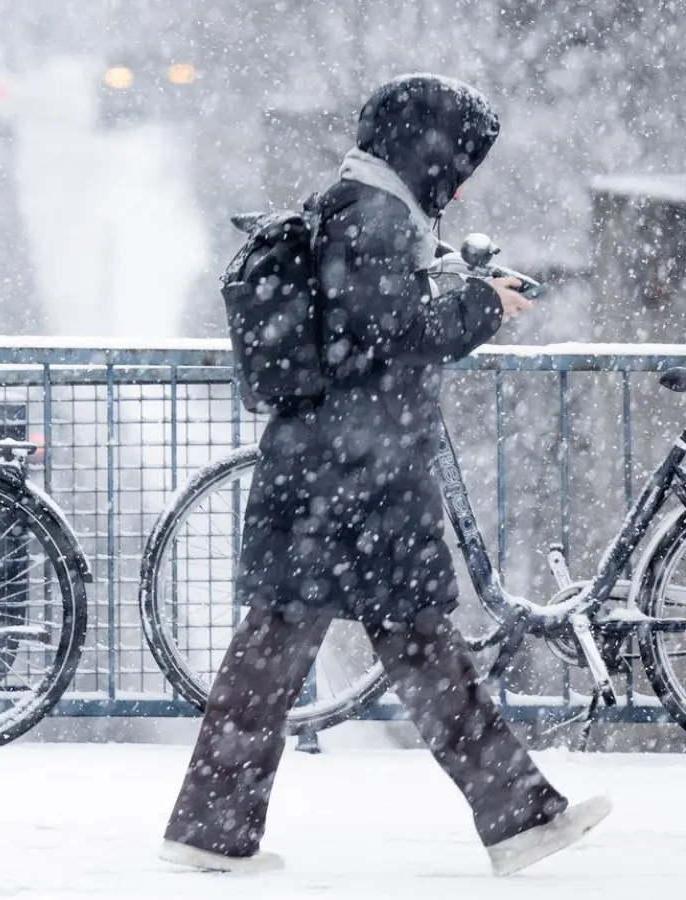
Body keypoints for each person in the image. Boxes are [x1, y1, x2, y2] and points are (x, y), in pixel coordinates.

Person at [158, 74, 611, 877]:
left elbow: (363, 318)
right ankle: (517, 819)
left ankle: (214, 829)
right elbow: (385, 333)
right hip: (355, 475)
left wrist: (450, 281)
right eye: (460, 158)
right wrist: (481, 307)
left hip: (336, 469)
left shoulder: (361, 202)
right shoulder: (373, 214)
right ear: (426, 147)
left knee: (324, 648)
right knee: (378, 647)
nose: (464, 178)